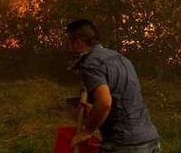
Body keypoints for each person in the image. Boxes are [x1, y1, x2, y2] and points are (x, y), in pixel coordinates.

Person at [67, 19, 160, 152]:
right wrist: (93, 110)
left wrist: (87, 131)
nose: (67, 48)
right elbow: (122, 96)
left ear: (77, 43)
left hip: (125, 144)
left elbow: (104, 103)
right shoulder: (122, 58)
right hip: (150, 140)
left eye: (68, 43)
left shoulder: (90, 64)